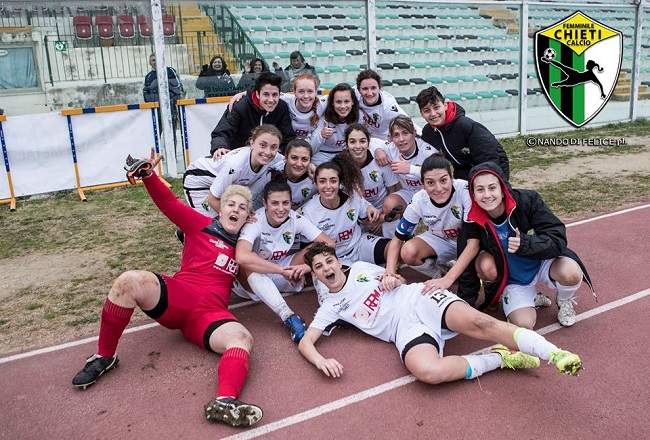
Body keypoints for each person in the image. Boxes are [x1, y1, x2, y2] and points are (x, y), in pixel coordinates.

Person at [71, 149, 263, 428]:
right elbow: (169, 204)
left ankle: (225, 402)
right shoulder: (201, 224)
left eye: (242, 208)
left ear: (248, 217)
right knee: (128, 281)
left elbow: (252, 282)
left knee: (242, 339)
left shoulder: (244, 247)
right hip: (180, 296)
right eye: (230, 204)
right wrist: (149, 175)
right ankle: (104, 355)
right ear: (220, 209)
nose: (235, 210)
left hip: (210, 315)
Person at [299, 242, 585, 387]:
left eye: (329, 261)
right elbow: (305, 342)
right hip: (404, 330)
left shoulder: (361, 269)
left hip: (418, 299)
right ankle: (500, 358)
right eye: (320, 267)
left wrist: (393, 279)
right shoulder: (329, 309)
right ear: (315, 275)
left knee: (479, 322)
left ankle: (554, 353)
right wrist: (321, 361)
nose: (327, 268)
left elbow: (395, 278)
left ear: (338, 261)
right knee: (428, 372)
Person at [460, 161, 596, 328]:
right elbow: (465, 259)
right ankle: (525, 296)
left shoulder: (527, 200)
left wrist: (526, 243)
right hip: (512, 278)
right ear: (473, 194)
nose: (487, 195)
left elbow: (558, 237)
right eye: (480, 190)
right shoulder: (471, 217)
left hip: (542, 263)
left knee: (572, 272)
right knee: (524, 326)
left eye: (492, 187)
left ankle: (564, 299)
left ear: (503, 189)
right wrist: (465, 304)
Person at [234, 173, 334, 343]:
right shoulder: (255, 221)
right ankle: (289, 317)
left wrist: (307, 267)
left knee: (317, 251)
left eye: (285, 203)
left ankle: (328, 308)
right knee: (248, 263)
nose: (281, 208)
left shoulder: (295, 219)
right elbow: (242, 256)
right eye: (274, 203)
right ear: (265, 203)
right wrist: (281, 271)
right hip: (253, 283)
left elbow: (329, 243)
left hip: (285, 274)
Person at [385, 154, 476, 295]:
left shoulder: (464, 190)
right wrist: (389, 271)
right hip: (441, 239)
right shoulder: (419, 200)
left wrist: (449, 279)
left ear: (452, 177)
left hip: (467, 241)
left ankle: (485, 285)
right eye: (430, 183)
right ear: (423, 184)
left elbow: (473, 243)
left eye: (444, 180)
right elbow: (397, 239)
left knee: (486, 268)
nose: (439, 188)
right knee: (408, 251)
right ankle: (437, 274)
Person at [301, 156, 389, 268]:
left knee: (397, 249)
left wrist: (386, 218)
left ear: (339, 182)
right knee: (349, 282)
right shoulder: (308, 212)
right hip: (333, 258)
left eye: (333, 181)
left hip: (359, 245)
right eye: (322, 181)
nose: (328, 186)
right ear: (315, 183)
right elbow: (307, 250)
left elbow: (366, 220)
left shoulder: (352, 196)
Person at [416, 86, 510, 181]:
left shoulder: (465, 125)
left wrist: (486, 181)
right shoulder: (428, 132)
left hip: (494, 165)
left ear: (445, 106)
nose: (433, 114)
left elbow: (489, 155)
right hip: (463, 170)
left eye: (436, 107)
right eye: (427, 111)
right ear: (421, 113)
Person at [210, 71, 295, 158]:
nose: (271, 100)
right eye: (266, 94)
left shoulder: (281, 107)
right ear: (257, 94)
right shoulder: (240, 106)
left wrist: (290, 156)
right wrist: (220, 147)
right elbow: (222, 132)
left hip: (268, 158)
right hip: (240, 158)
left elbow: (287, 138)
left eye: (274, 95)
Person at [375, 116, 438, 229]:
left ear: (414, 133)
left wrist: (410, 169)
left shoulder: (427, 151)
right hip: (408, 192)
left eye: (405, 133)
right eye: (396, 135)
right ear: (391, 138)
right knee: (390, 205)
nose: (401, 139)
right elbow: (372, 141)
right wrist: (378, 150)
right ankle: (390, 241)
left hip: (429, 193)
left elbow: (438, 174)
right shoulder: (391, 148)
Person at [342, 123, 400, 237]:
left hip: (382, 209)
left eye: (362, 141)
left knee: (394, 211)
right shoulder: (342, 165)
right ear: (346, 143)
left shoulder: (380, 160)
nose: (358, 146)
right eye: (352, 141)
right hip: (359, 213)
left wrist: (382, 219)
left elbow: (392, 190)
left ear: (369, 143)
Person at [228, 74, 327, 140]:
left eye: (310, 91)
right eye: (301, 91)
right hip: (291, 146)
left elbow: (339, 94)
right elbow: (265, 92)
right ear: (294, 92)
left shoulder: (323, 104)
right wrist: (244, 94)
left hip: (307, 148)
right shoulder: (285, 100)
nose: (306, 96)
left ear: (316, 91)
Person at [308, 83, 360, 165]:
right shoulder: (323, 119)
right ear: (332, 103)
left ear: (352, 102)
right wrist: (321, 135)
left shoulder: (358, 117)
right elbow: (311, 149)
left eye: (346, 101)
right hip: (322, 154)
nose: (343, 106)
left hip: (345, 154)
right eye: (338, 102)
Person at [354, 69, 414, 141]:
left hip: (381, 139)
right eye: (365, 89)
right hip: (361, 135)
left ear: (379, 88)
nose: (369, 93)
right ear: (358, 90)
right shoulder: (354, 94)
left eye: (373, 88)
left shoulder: (388, 107)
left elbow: (409, 124)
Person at [143, 53, 184, 145]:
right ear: (150, 63)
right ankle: (158, 156)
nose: (155, 62)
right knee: (156, 135)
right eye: (153, 60)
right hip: (157, 111)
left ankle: (173, 156)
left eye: (157, 59)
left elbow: (179, 88)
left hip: (171, 109)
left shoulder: (171, 71)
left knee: (172, 134)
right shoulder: (148, 77)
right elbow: (146, 94)